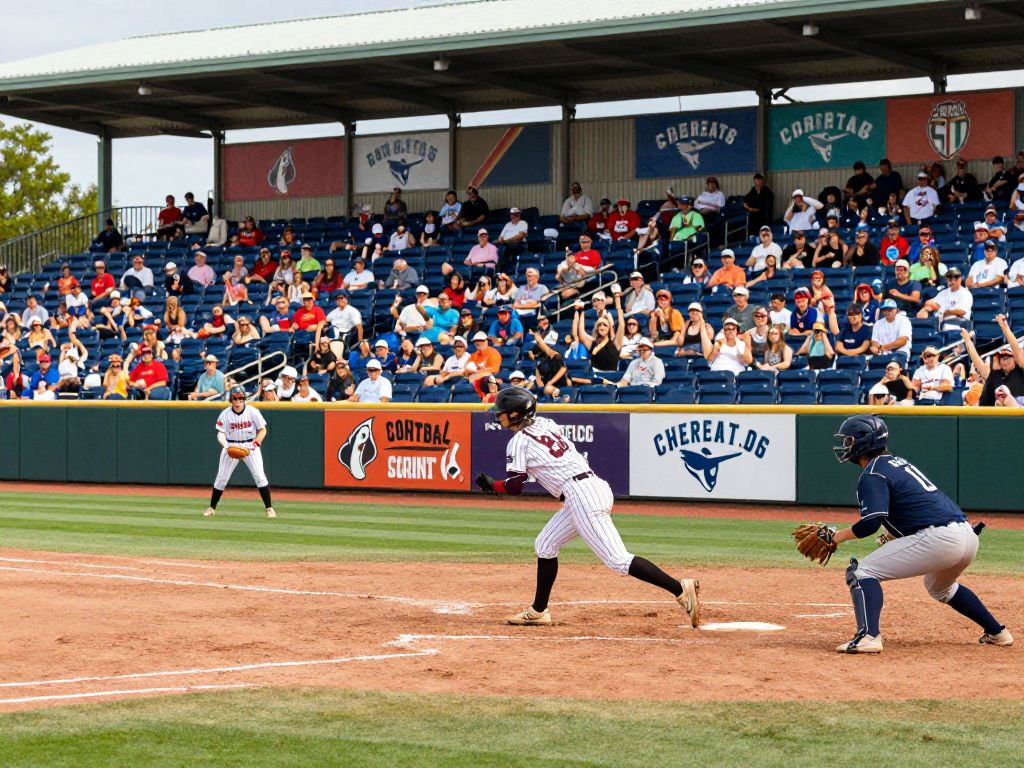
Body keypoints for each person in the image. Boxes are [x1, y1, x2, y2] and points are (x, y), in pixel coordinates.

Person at [476, 387, 700, 627]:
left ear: (515, 414)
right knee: (545, 544)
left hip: (581, 494)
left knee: (618, 560)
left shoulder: (518, 441)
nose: (497, 415)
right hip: (591, 487)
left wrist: (492, 485)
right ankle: (539, 611)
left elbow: (515, 485)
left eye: (502, 412)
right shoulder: (546, 423)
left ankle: (680, 589)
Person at [823, 415, 1011, 653]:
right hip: (966, 535)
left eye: (849, 440)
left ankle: (869, 637)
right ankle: (998, 632)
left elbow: (870, 524)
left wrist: (836, 536)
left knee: (862, 572)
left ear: (863, 443)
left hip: (940, 539)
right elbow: (911, 508)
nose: (845, 446)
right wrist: (892, 535)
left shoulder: (872, 473)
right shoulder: (896, 462)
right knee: (941, 587)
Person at [203, 386, 276, 519]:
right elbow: (221, 433)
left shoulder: (252, 411)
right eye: (235, 398)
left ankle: (269, 508)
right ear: (231, 399)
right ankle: (212, 508)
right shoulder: (225, 414)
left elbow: (262, 430)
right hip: (231, 444)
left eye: (240, 398)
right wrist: (226, 446)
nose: (238, 401)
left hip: (250, 445)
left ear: (244, 398)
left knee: (260, 476)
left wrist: (255, 443)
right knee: (221, 478)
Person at [962, 316, 1024, 406]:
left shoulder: (1020, 372)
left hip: (1018, 416)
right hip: (999, 416)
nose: (1004, 361)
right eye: (1002, 358)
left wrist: (1005, 328)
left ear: (1015, 359)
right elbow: (977, 361)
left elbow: (1016, 350)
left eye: (1008, 357)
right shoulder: (995, 375)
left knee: (1006, 399)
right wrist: (968, 341)